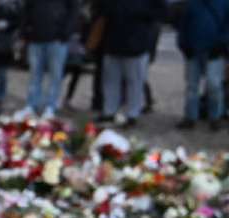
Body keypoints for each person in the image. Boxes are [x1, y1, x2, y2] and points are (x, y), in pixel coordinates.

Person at [98, 0, 167, 127]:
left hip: (136, 41)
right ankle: (109, 111)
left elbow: (159, 11)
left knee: (134, 82)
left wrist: (140, 14)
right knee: (111, 80)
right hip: (113, 40)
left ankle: (132, 114)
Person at [175, 0, 229, 130]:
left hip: (214, 50)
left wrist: (221, 44)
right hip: (194, 49)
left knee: (213, 85)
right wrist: (184, 44)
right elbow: (184, 25)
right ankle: (190, 116)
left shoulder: (224, 3)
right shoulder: (192, 3)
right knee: (192, 85)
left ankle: (215, 116)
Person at [23, 0, 80, 117]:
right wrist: (26, 31)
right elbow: (26, 10)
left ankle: (51, 106)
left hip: (57, 40)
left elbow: (74, 12)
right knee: (34, 75)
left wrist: (65, 33)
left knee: (55, 75)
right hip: (36, 38)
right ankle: (31, 105)